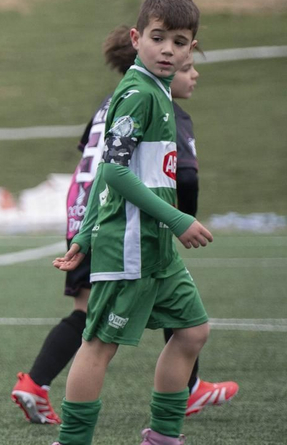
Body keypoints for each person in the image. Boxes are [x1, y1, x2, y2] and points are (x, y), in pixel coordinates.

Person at [13, 33, 237, 424]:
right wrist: (180, 218)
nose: (192, 73)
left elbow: (93, 153)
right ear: (139, 44)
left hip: (85, 210)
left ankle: (178, 408)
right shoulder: (151, 101)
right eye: (188, 66)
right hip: (118, 222)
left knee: (177, 316)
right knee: (98, 333)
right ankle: (70, 442)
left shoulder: (113, 100)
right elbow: (140, 172)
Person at [45, 0, 217, 445]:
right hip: (132, 244)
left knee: (192, 331)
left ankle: (163, 444)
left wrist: (83, 230)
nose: (168, 49)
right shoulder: (138, 92)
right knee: (99, 343)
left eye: (178, 42)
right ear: (137, 38)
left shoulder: (159, 91)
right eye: (158, 38)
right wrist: (179, 218)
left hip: (156, 246)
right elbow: (116, 173)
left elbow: (107, 170)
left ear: (191, 48)